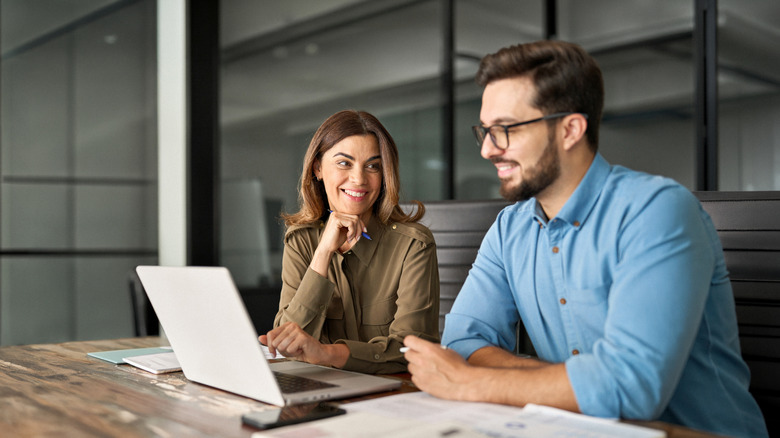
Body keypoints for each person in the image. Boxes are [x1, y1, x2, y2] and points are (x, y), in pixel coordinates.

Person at [402, 40, 768, 438]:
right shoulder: (510, 228)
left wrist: (474, 383)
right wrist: (579, 383)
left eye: (504, 129)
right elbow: (462, 342)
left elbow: (631, 389)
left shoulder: (657, 211)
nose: (489, 149)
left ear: (570, 129)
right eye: (485, 132)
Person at [260, 109, 440, 374]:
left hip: (393, 392)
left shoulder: (413, 245)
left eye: (373, 166)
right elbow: (288, 342)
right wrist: (323, 253)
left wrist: (326, 353)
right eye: (344, 163)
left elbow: (410, 348)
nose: (359, 179)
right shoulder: (301, 240)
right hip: (318, 387)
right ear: (318, 168)